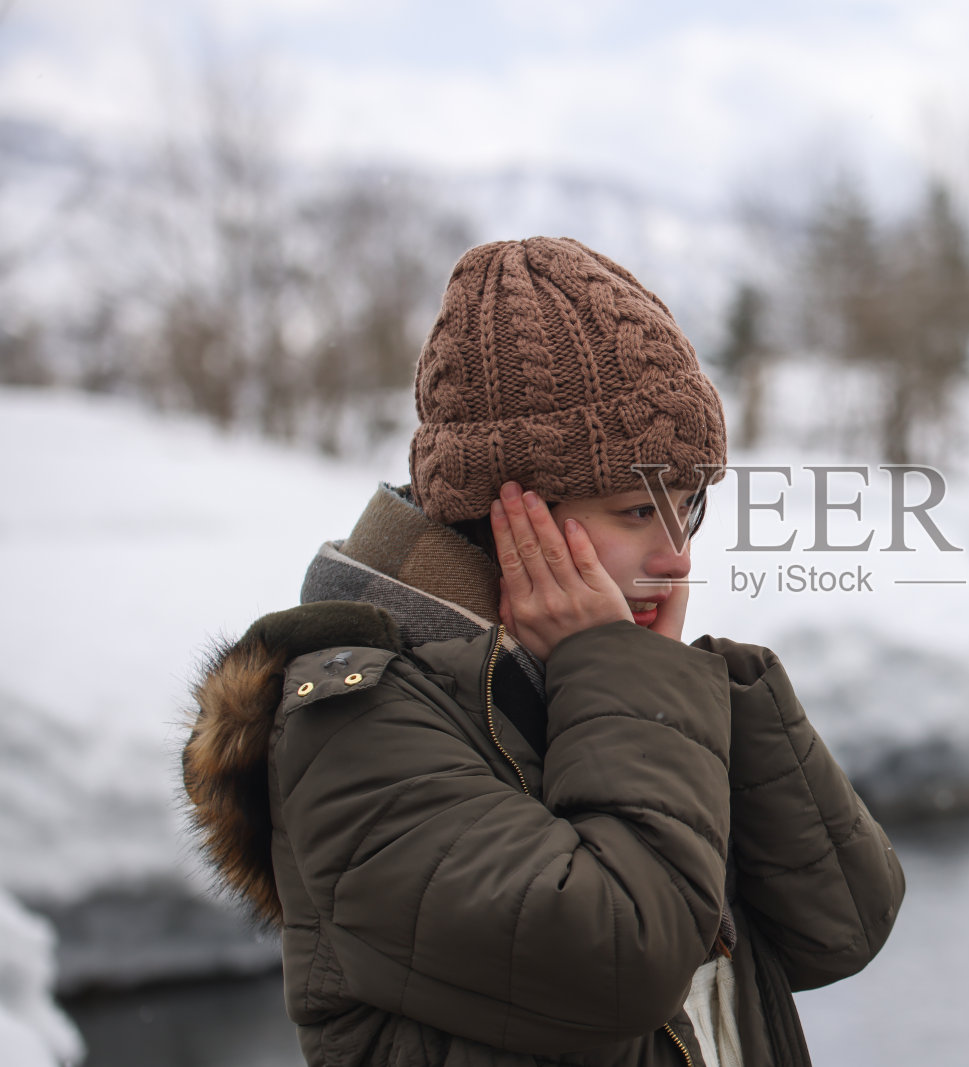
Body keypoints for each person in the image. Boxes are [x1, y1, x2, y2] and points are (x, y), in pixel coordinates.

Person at [180, 237, 905, 1067]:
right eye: (637, 509)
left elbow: (843, 921)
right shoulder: (352, 730)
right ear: (506, 515)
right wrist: (627, 677)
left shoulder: (581, 684)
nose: (679, 557)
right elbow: (628, 960)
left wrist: (687, 683)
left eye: (690, 506)